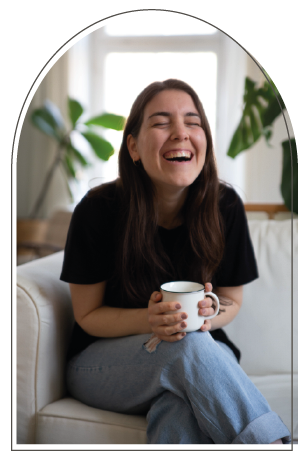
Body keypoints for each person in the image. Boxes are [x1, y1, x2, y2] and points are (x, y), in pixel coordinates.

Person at [60, 79, 291, 446]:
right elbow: (87, 315)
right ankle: (271, 448)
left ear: (205, 142)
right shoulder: (98, 209)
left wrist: (209, 315)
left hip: (198, 356)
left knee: (180, 404)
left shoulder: (225, 206)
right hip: (103, 365)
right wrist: (150, 320)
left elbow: (232, 299)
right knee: (187, 346)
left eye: (193, 121)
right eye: (161, 122)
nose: (181, 133)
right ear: (133, 146)